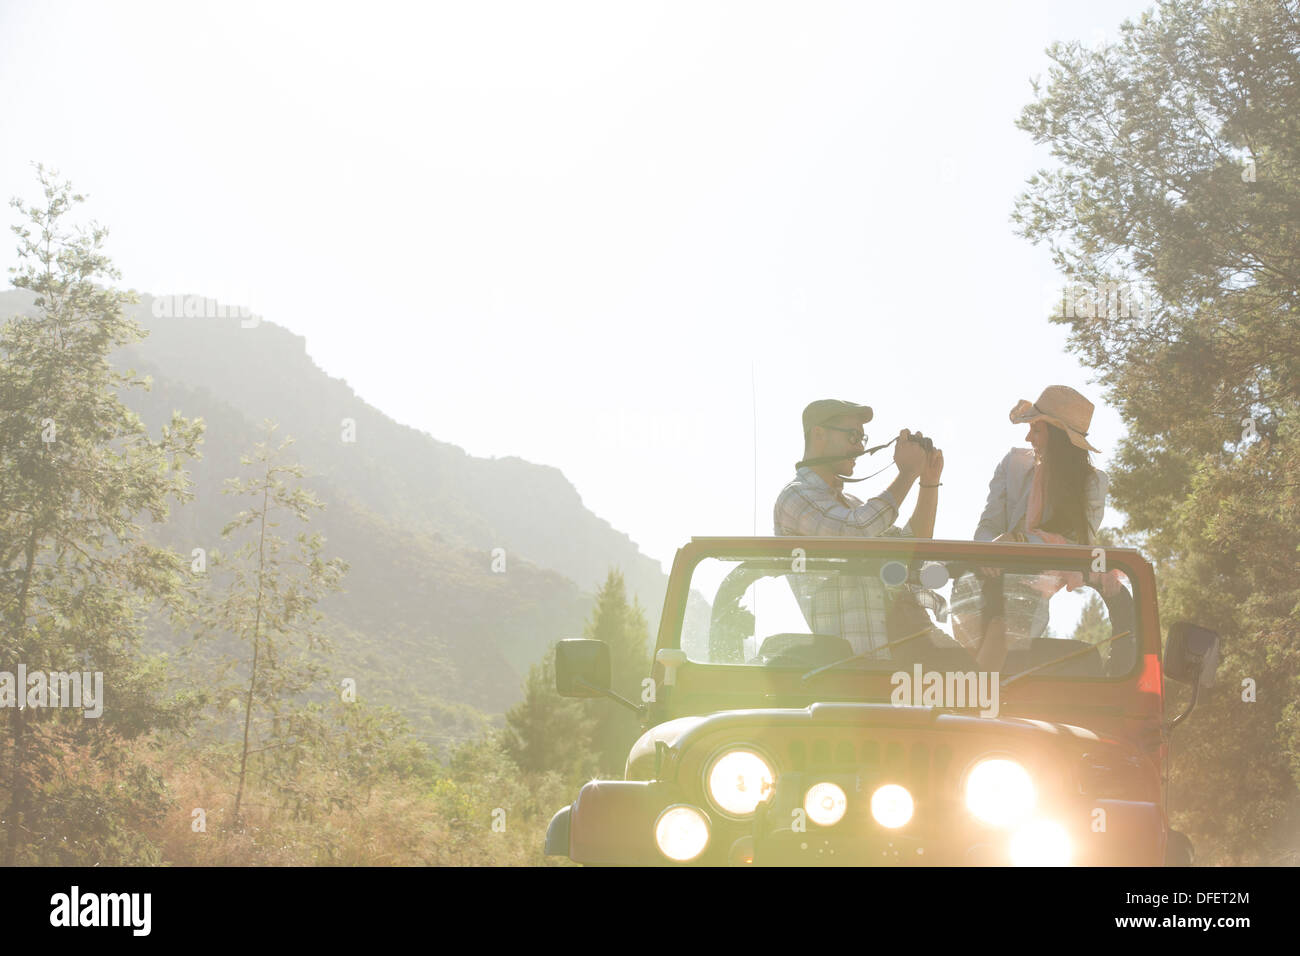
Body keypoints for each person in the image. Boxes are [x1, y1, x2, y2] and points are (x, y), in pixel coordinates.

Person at [952, 385, 1114, 668]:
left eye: (1037, 430)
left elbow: (1079, 544)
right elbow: (988, 523)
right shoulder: (1013, 463)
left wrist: (1019, 542)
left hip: (1028, 585)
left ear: (1059, 438)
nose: (1028, 437)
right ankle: (971, 697)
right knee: (970, 653)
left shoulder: (1093, 483)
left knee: (998, 643)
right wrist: (988, 552)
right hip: (984, 572)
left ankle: (975, 701)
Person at [773, 399, 945, 656]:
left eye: (862, 439)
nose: (859, 448)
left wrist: (928, 483)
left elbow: (911, 546)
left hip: (886, 660)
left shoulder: (851, 505)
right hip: (848, 667)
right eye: (853, 437)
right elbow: (854, 532)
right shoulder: (795, 497)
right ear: (819, 434)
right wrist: (907, 474)